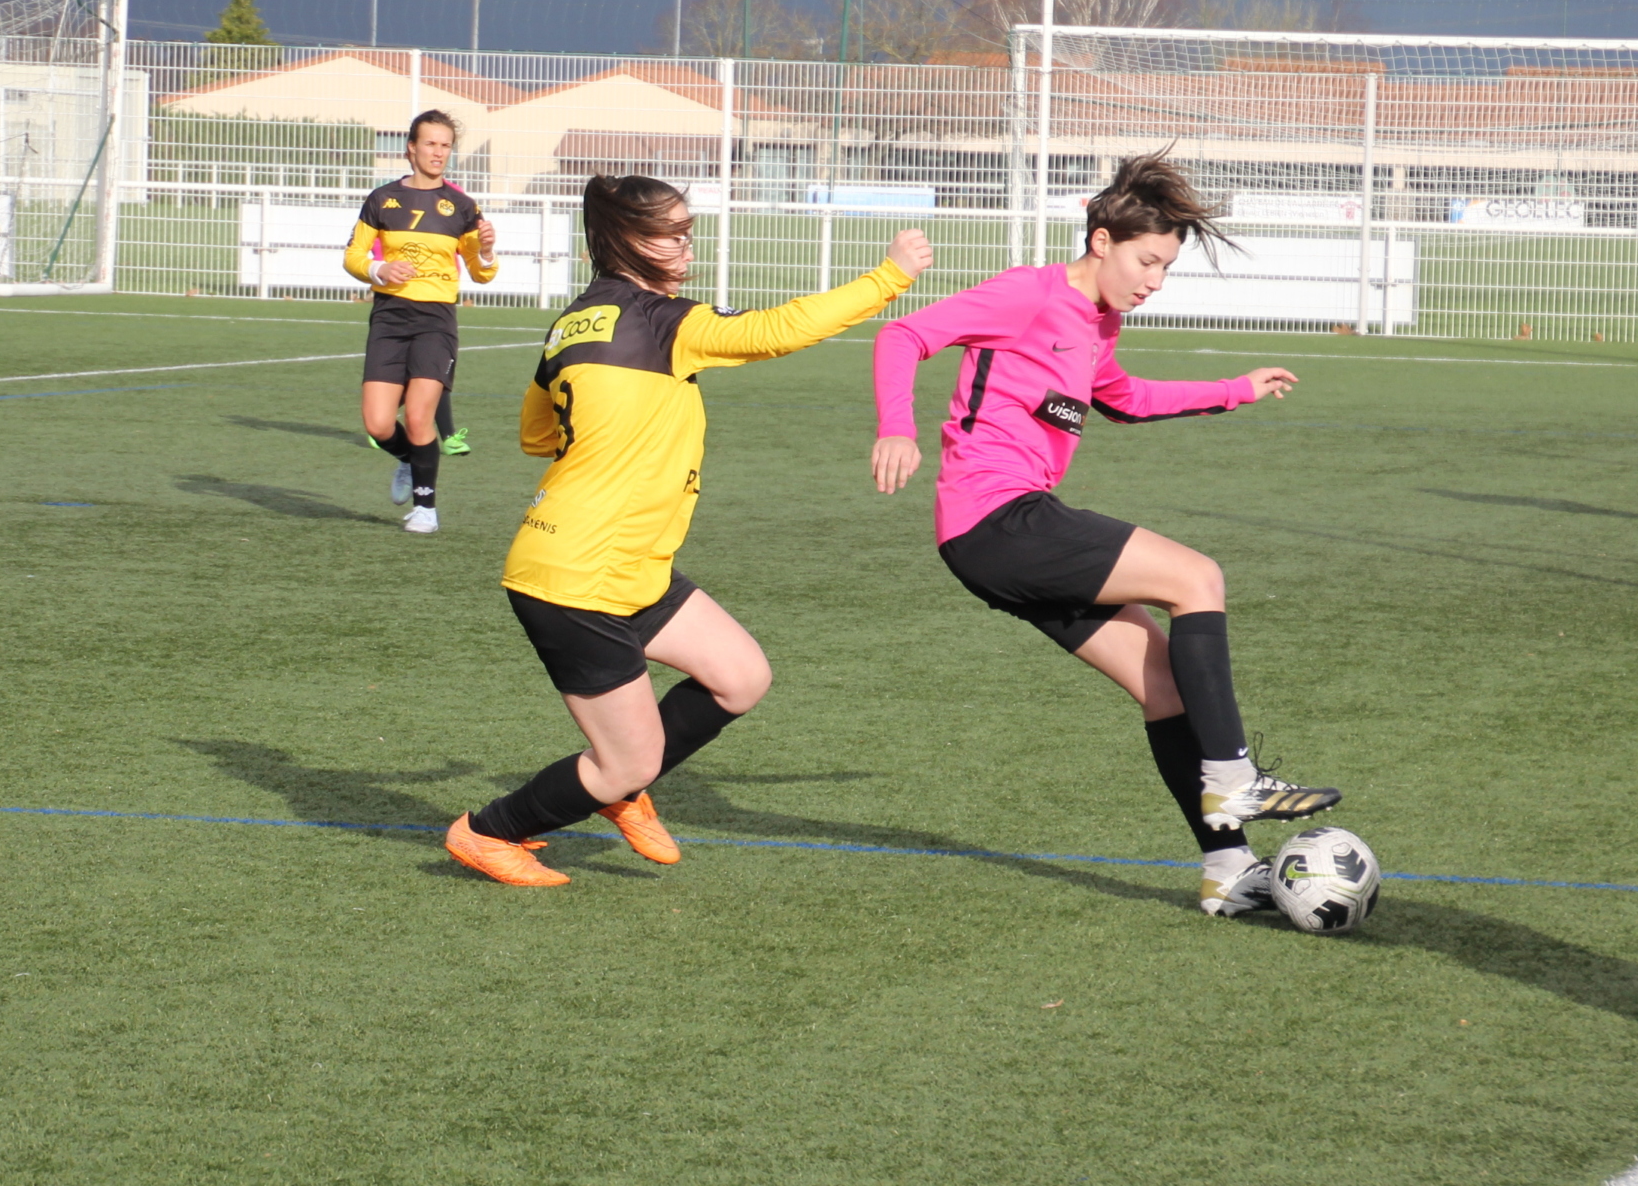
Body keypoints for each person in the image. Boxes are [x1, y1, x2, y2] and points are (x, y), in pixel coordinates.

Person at [869, 152, 1339, 919]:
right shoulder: (1028, 293)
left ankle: (1228, 870)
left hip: (1003, 533)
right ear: (1101, 241)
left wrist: (1234, 390)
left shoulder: (1099, 323)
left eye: (1167, 267)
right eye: (1147, 261)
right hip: (996, 517)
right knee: (1197, 578)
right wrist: (897, 427)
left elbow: (1121, 398)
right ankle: (1234, 775)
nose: (1156, 280)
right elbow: (902, 336)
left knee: (1163, 687)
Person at [444, 175, 933, 886]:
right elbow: (775, 331)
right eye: (671, 234)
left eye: (686, 231)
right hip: (576, 577)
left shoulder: (575, 321)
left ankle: (621, 790)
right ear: (627, 240)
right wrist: (890, 276)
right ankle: (490, 830)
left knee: (740, 678)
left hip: (626, 561)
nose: (687, 247)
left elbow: (535, 433)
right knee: (627, 760)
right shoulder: (661, 320)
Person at [343, 110, 497, 534]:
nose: (438, 152)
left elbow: (482, 273)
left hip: (435, 320)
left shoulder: (462, 206)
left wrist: (486, 251)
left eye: (445, 145)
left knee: (417, 417)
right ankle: (411, 460)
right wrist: (379, 270)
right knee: (377, 424)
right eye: (430, 143)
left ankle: (426, 509)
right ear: (411, 148)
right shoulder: (382, 199)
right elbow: (353, 256)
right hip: (389, 318)